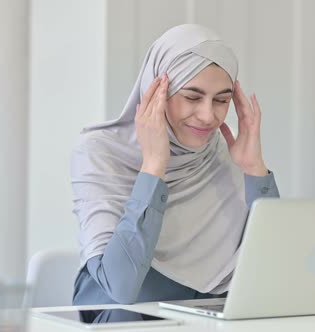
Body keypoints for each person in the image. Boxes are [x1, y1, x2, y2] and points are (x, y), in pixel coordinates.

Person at [70, 24, 279, 305]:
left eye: (222, 100)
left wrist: (255, 170)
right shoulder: (101, 151)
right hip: (124, 317)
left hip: (205, 316)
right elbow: (120, 287)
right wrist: (154, 166)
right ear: (156, 91)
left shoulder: (220, 153)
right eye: (192, 97)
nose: (208, 116)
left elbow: (273, 270)